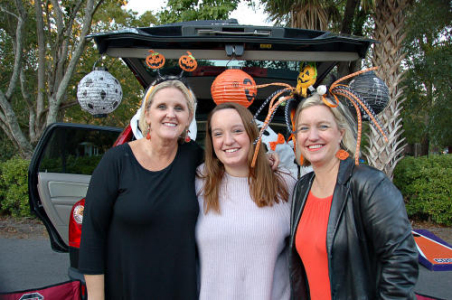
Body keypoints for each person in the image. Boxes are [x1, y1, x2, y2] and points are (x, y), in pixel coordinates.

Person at [78, 78, 203, 300]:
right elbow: (92, 235)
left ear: (188, 118)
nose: (170, 114)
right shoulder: (116, 161)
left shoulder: (193, 157)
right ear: (147, 114)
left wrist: (268, 159)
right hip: (126, 288)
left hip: (179, 290)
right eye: (162, 107)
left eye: (179, 108)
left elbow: (233, 166)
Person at [289, 94, 419, 299]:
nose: (312, 136)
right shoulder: (302, 189)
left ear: (340, 133)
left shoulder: (369, 184)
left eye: (322, 126)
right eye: (304, 128)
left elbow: (401, 259)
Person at [195, 102, 296, 300]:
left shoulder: (285, 183)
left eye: (237, 130)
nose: (228, 140)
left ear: (252, 134)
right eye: (218, 133)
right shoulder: (199, 182)